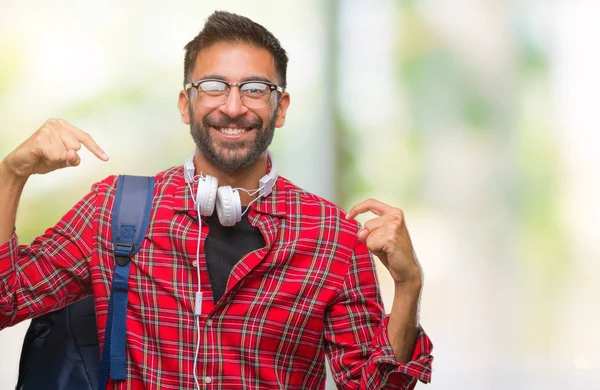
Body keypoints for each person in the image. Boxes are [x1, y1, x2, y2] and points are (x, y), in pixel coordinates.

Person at [0, 10, 433, 390]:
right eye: (212, 86)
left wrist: (408, 285)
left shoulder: (332, 237)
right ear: (186, 104)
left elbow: (375, 387)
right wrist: (11, 174)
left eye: (255, 89)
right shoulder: (115, 210)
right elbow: (7, 299)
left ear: (280, 108)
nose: (232, 106)